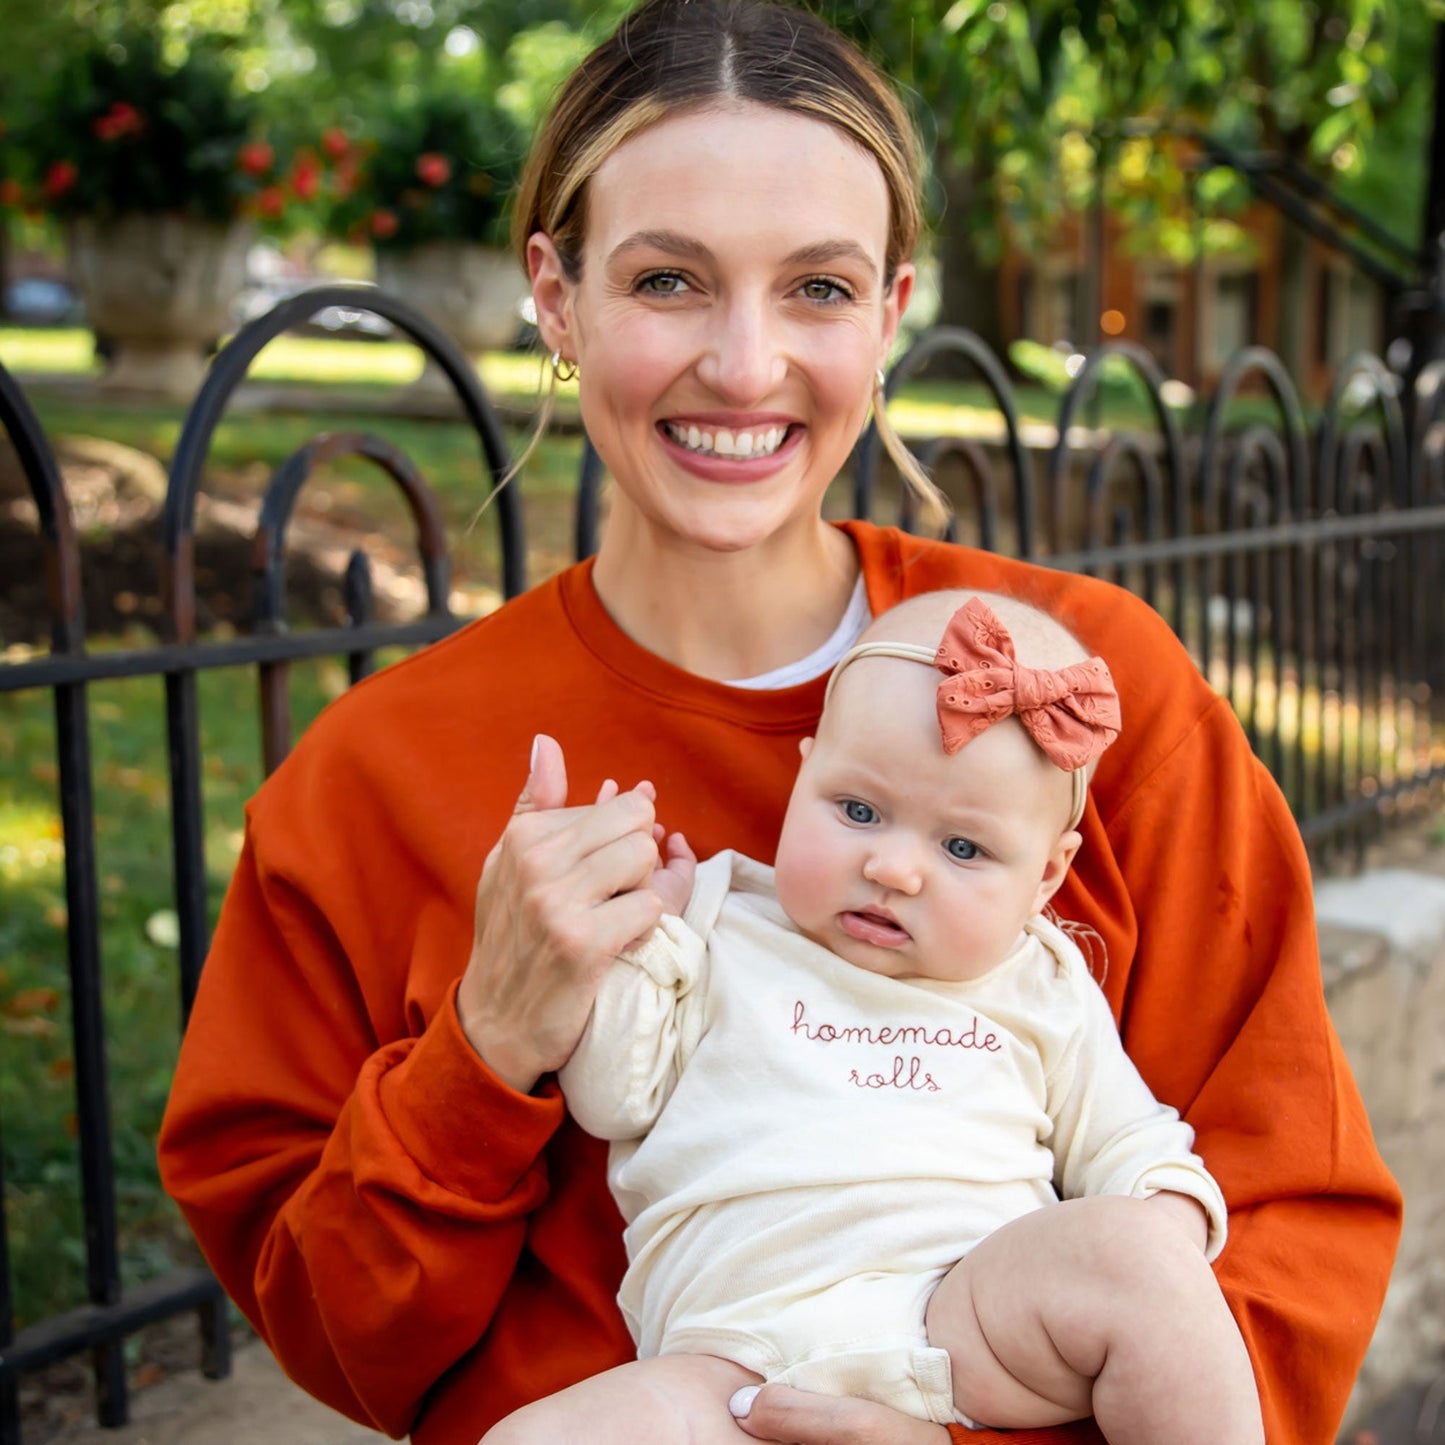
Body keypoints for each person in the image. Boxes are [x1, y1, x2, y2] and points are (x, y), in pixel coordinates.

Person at [156, 2, 1401, 1443]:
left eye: (816, 288)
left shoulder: (1095, 688)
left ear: (890, 310)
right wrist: (486, 1050)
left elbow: (1285, 1214)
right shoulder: (372, 783)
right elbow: (331, 1323)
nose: (745, 368)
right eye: (670, 280)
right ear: (557, 298)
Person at [481, 590, 1264, 1444]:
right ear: (804, 772)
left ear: (1045, 878)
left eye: (962, 847)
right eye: (856, 810)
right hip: (730, 1360)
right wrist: (647, 938)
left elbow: (1128, 1143)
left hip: (965, 1317)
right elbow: (610, 1099)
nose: (892, 867)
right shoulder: (714, 919)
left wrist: (1160, 1242)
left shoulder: (1039, 975)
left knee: (1144, 1254)